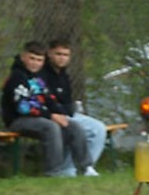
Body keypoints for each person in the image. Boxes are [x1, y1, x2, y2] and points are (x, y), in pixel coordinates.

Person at [0, 41, 90, 179]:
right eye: (32, 59)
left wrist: (62, 114)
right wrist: (51, 116)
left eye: (39, 60)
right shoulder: (17, 77)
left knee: (73, 126)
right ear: (23, 57)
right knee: (51, 127)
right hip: (18, 120)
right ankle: (54, 171)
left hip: (40, 117)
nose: (35, 63)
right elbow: (24, 107)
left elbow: (48, 98)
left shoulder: (37, 78)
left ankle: (86, 168)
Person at [42, 41, 107, 177]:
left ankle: (86, 168)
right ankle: (67, 169)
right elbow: (45, 100)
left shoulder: (64, 76)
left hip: (67, 114)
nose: (62, 58)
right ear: (49, 54)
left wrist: (67, 111)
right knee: (73, 128)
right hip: (49, 116)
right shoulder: (42, 74)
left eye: (66, 55)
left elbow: (67, 100)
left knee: (99, 128)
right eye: (58, 54)